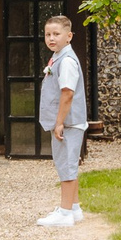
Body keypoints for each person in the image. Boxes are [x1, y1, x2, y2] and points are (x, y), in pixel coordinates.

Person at [36, 13, 88, 227]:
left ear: (69, 36)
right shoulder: (58, 57)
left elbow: (67, 93)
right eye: (48, 34)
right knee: (67, 163)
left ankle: (65, 213)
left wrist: (59, 122)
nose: (51, 38)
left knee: (66, 166)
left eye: (57, 34)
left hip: (68, 123)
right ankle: (74, 207)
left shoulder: (66, 61)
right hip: (67, 122)